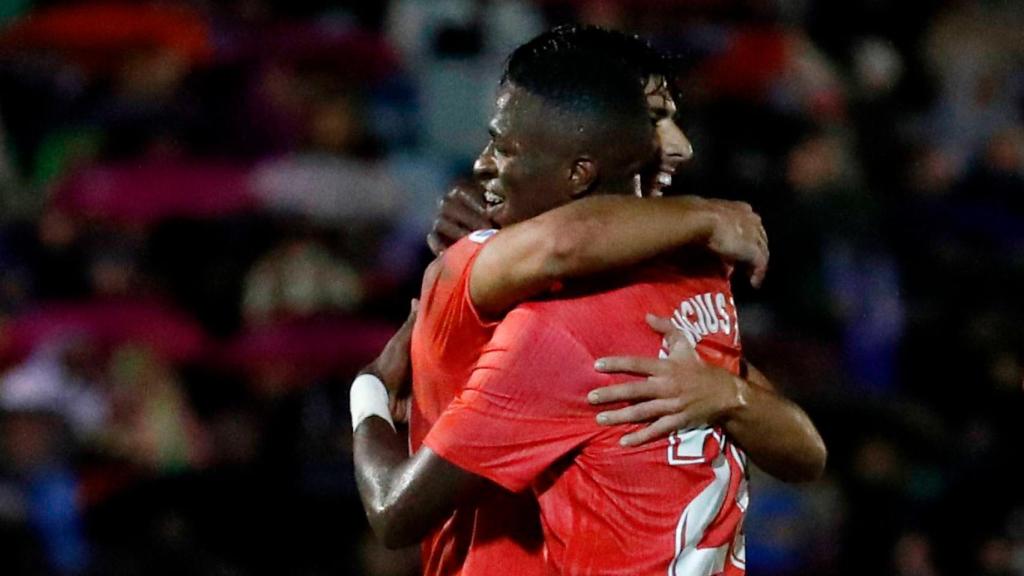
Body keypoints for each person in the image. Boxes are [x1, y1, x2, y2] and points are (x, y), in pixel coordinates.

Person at [353, 26, 825, 575]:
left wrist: (367, 389)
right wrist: (707, 216)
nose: (677, 144)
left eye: (504, 147)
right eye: (656, 118)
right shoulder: (695, 278)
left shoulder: (554, 322)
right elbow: (560, 242)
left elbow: (393, 511)